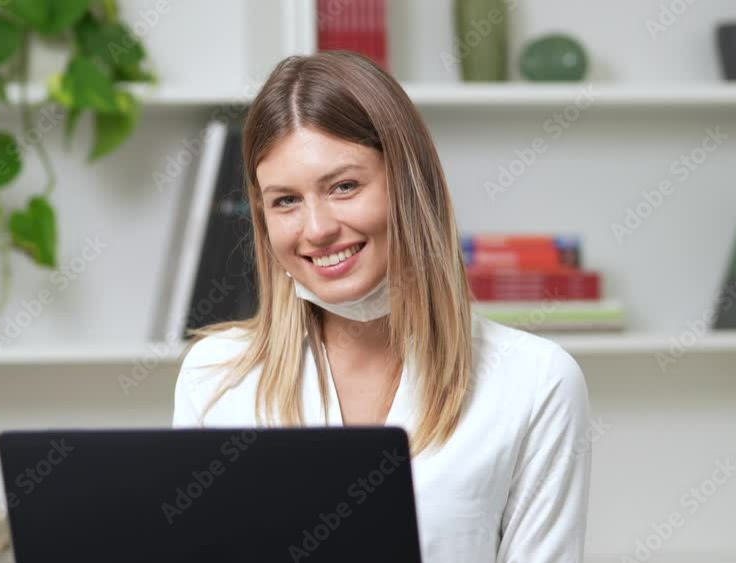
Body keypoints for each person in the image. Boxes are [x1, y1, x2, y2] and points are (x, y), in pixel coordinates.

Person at [172, 50, 592, 563]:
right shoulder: (214, 376)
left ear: (410, 188)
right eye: (285, 200)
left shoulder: (536, 382)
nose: (317, 228)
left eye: (344, 186)